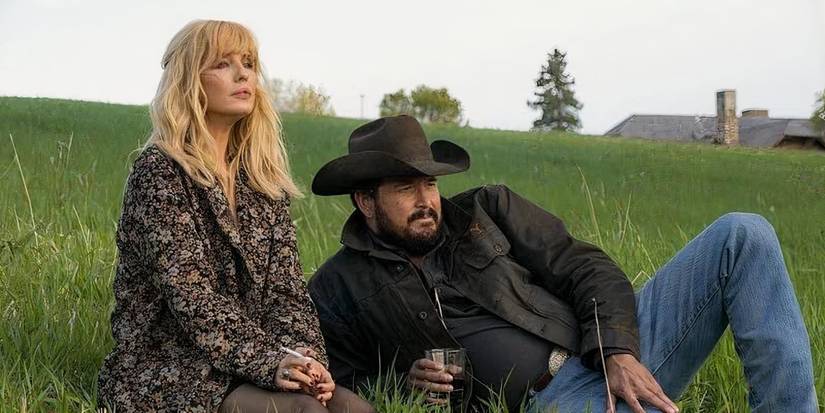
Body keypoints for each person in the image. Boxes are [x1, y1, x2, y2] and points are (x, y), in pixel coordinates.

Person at [307, 115, 817, 412]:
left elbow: (585, 267)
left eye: (430, 183)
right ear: (365, 200)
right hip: (551, 402)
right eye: (405, 188)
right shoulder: (338, 285)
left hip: (607, 354)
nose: (427, 200)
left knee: (742, 233)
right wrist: (404, 379)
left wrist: (617, 352)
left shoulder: (486, 210)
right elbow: (340, 383)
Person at [97, 20, 374, 413]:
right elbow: (193, 299)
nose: (243, 73)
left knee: (353, 409)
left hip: (254, 358)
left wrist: (305, 360)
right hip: (169, 367)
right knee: (304, 411)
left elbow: (287, 293)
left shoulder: (263, 179)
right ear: (189, 80)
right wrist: (270, 362)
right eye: (223, 64)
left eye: (248, 62)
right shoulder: (159, 173)